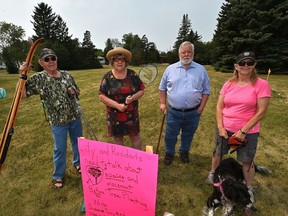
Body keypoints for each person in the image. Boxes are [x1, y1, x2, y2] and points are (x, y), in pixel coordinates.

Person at [205, 51, 271, 207]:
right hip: (225, 129)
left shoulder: (262, 85)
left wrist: (243, 131)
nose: (246, 66)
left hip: (248, 132)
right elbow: (219, 106)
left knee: (246, 161)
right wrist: (221, 127)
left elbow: (261, 111)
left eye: (249, 63)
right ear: (236, 66)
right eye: (242, 63)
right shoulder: (228, 84)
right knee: (218, 153)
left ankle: (248, 188)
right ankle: (213, 175)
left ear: (254, 65)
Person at [19, 48, 83, 188]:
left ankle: (78, 164)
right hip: (57, 121)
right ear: (41, 62)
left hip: (74, 117)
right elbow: (22, 95)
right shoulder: (38, 79)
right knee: (59, 148)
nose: (51, 61)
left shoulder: (67, 75)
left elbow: (78, 91)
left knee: (78, 143)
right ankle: (58, 175)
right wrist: (22, 75)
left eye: (53, 58)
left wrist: (74, 91)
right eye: (47, 59)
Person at [159, 41, 210, 165]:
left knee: (188, 134)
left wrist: (201, 108)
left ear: (193, 53)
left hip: (193, 112)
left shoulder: (201, 70)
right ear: (179, 54)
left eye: (189, 52)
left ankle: (184, 152)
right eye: (184, 52)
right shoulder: (170, 69)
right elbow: (162, 88)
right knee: (170, 134)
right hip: (174, 111)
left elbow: (206, 90)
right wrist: (162, 103)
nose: (186, 54)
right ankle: (169, 153)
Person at [99, 47, 145, 150]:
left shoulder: (132, 74)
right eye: (116, 59)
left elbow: (141, 90)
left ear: (126, 61)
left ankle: (137, 163)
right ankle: (121, 164)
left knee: (135, 137)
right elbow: (101, 96)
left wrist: (132, 98)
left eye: (122, 59)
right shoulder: (107, 77)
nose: (119, 62)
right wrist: (117, 106)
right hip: (114, 115)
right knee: (118, 139)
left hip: (131, 114)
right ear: (112, 61)